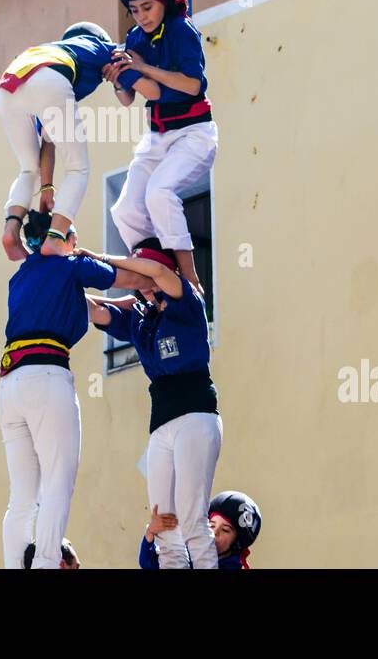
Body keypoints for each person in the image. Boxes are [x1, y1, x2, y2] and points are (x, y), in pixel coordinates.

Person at [0, 212, 161, 569]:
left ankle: (15, 564)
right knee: (57, 483)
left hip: (9, 384)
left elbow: (96, 306)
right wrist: (162, 278)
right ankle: (44, 562)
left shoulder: (24, 276)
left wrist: (135, 303)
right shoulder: (71, 265)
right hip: (47, 377)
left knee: (23, 496)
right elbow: (129, 278)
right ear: (63, 238)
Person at [84, 238, 221, 568]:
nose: (136, 279)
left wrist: (98, 258)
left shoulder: (185, 299)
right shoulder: (141, 318)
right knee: (166, 527)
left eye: (137, 269)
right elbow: (93, 311)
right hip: (161, 423)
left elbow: (158, 271)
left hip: (195, 415)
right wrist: (65, 271)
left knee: (192, 521)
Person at [0, 22, 159, 259]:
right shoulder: (102, 47)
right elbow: (137, 96)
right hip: (49, 79)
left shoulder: (54, 51)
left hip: (9, 84)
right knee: (78, 169)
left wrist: (47, 187)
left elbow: (48, 141)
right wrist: (119, 80)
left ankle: (11, 230)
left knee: (28, 169)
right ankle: (55, 239)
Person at [105, 0, 217, 288]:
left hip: (195, 134)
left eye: (147, 7)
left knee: (159, 192)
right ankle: (156, 274)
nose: (142, 17)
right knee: (123, 209)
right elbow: (129, 97)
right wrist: (116, 79)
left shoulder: (183, 30)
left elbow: (192, 85)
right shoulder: (135, 39)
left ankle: (191, 278)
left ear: (164, 0)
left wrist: (144, 67)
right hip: (157, 138)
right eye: (134, 10)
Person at [138, 491, 261, 569]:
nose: (215, 533)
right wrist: (151, 533)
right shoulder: (191, 551)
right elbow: (150, 565)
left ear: (237, 543)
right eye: (211, 525)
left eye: (225, 530)